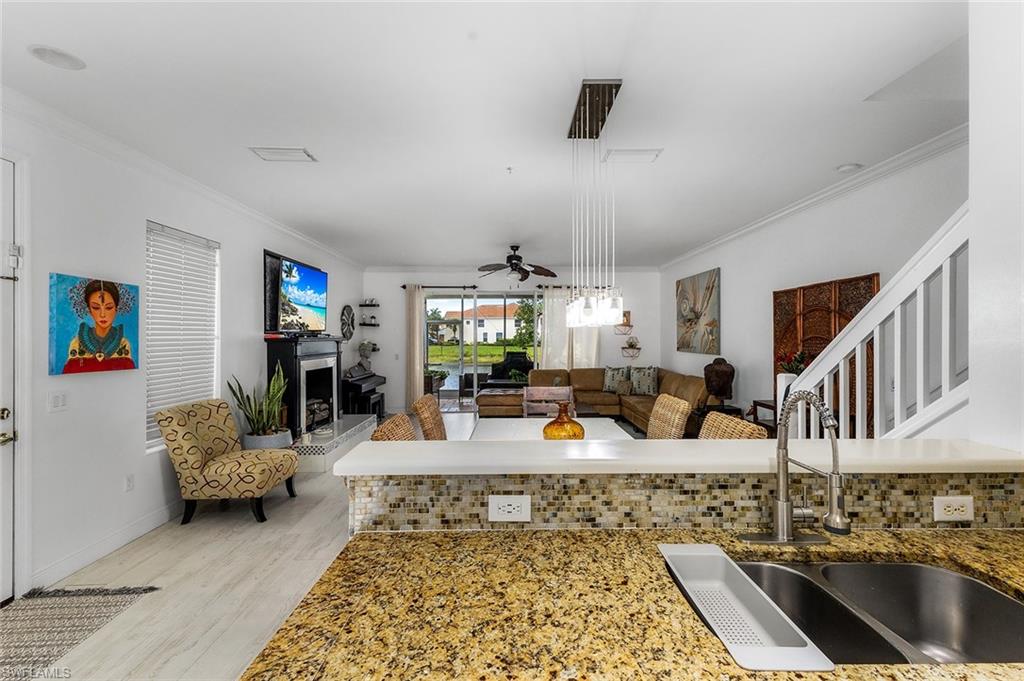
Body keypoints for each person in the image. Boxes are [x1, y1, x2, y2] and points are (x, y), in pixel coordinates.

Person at [63, 280, 135, 373]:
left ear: (116, 309)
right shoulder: (77, 344)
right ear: (89, 310)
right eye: (96, 308)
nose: (102, 314)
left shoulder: (123, 344)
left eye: (109, 308)